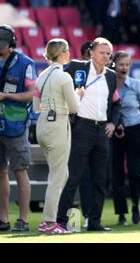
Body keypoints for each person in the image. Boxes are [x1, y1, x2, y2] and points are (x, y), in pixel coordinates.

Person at [57, 37, 121, 232]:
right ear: (91, 52)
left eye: (108, 53)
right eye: (102, 52)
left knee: (100, 179)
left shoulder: (111, 76)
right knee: (73, 176)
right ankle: (61, 220)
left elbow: (116, 103)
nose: (105, 56)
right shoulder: (77, 67)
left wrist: (113, 122)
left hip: (101, 129)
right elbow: (55, 78)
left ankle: (94, 221)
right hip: (81, 127)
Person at [33, 39, 84, 234]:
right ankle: (48, 222)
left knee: (58, 175)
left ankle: (48, 221)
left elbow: (37, 107)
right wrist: (78, 94)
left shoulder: (41, 75)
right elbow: (74, 107)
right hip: (58, 125)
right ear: (61, 53)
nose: (69, 54)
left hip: (42, 125)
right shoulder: (64, 77)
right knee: (59, 176)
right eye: (67, 50)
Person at [111, 51, 140, 226]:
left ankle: (136, 205)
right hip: (115, 131)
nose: (124, 68)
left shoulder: (136, 85)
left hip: (135, 129)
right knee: (116, 173)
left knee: (134, 171)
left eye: (127, 65)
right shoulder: (108, 85)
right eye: (121, 64)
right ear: (114, 64)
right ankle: (121, 213)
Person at [0, 25, 36, 232]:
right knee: (0, 172)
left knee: (20, 171)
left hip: (16, 124)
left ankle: (22, 220)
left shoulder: (25, 64)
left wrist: (6, 96)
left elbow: (32, 93)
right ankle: (3, 219)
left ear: (12, 43)